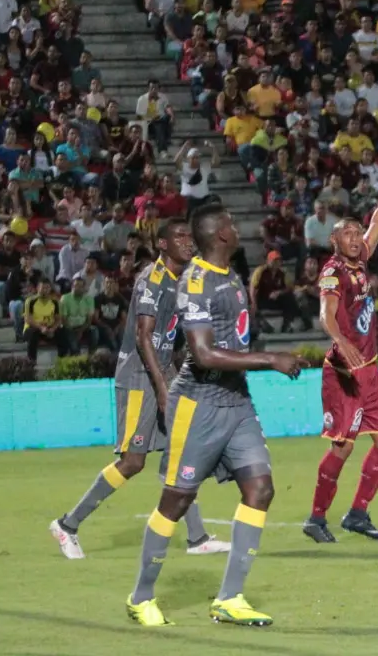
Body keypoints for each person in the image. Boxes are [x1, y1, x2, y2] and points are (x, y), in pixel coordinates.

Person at [126, 204, 306, 628]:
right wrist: (270, 359)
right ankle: (141, 596)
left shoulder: (231, 273)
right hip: (200, 403)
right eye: (229, 221)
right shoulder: (197, 281)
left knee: (260, 489)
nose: (236, 225)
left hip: (236, 402)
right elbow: (203, 354)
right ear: (220, 234)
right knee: (177, 500)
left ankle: (230, 598)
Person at [52, 220, 229, 559]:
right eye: (180, 235)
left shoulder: (183, 279)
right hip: (138, 376)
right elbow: (143, 337)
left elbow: (172, 337)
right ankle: (67, 525)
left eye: (189, 236)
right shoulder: (152, 279)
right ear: (162, 244)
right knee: (133, 462)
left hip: (161, 372)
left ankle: (197, 537)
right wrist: (163, 389)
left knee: (181, 450)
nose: (187, 241)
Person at [303, 160, 378, 543]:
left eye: (358, 232)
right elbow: (326, 315)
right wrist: (343, 343)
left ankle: (358, 513)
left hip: (370, 370)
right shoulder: (332, 272)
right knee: (342, 447)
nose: (357, 237)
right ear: (334, 241)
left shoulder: (360, 261)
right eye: (348, 234)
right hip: (344, 372)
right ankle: (316, 517)